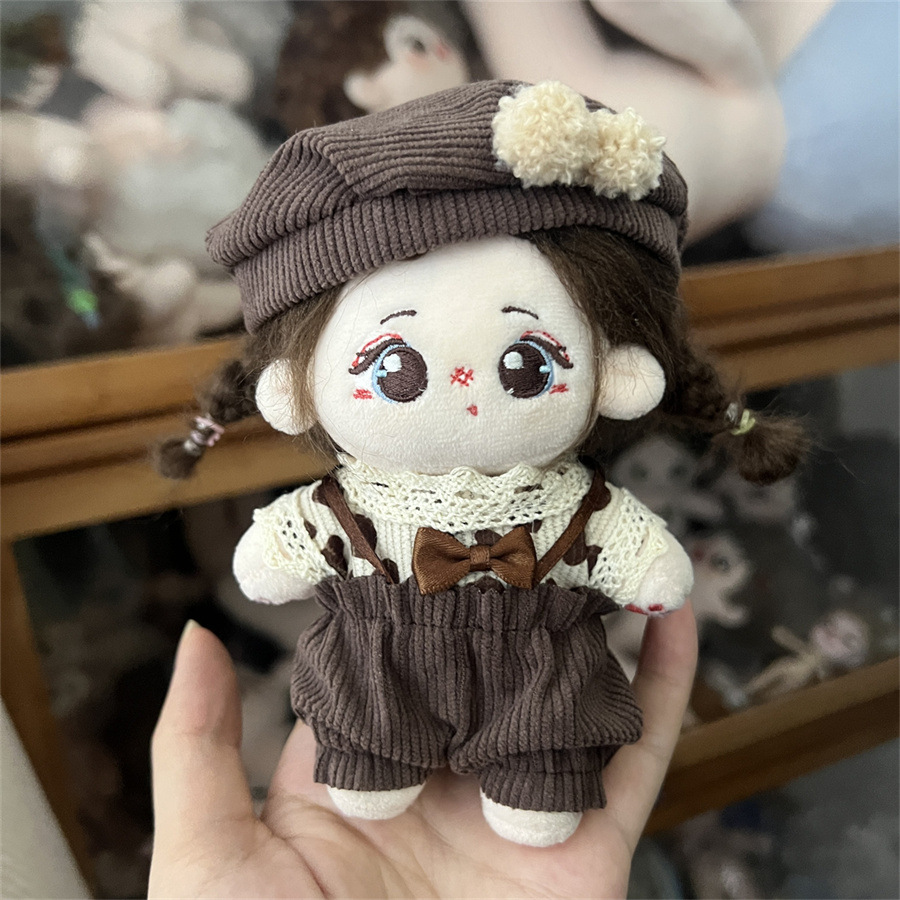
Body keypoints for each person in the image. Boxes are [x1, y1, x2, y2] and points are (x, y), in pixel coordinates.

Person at [149, 606, 696, 898]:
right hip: (388, 670)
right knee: (369, 709)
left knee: (548, 722)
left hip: (533, 667)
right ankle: (377, 758)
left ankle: (536, 777)